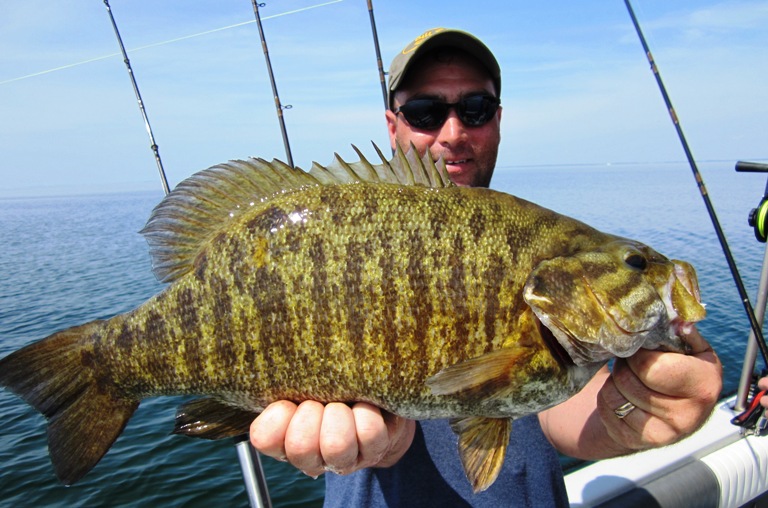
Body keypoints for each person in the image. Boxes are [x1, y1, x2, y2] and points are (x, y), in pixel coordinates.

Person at [250, 28, 723, 506]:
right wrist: (368, 440)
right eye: (425, 112)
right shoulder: (351, 232)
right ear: (393, 127)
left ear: (497, 120)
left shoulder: (534, 240)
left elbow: (555, 407)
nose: (453, 133)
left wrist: (631, 419)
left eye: (474, 108)